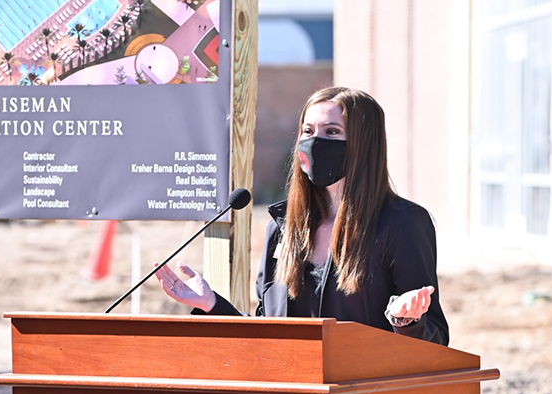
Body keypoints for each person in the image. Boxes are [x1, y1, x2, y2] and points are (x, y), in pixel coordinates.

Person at [155, 87, 449, 345]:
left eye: (332, 132)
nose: (315, 142)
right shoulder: (283, 227)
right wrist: (211, 304)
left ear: (363, 145)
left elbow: (436, 339)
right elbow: (268, 334)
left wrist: (407, 321)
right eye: (308, 132)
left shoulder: (402, 223)